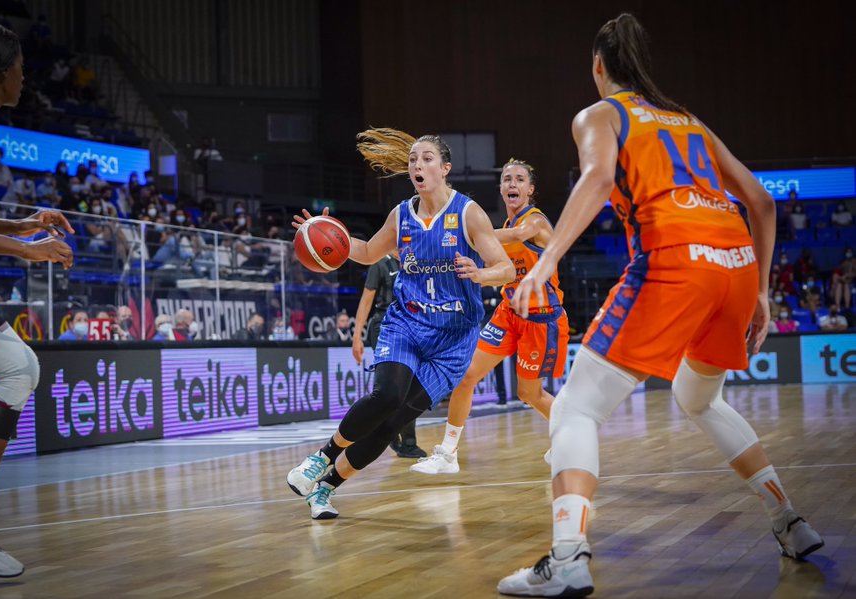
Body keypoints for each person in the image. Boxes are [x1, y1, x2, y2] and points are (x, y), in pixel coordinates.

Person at [498, 14, 823, 597]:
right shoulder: (689, 120)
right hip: (736, 265)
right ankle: (789, 520)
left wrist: (545, 261)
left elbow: (597, 179)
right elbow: (761, 202)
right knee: (698, 396)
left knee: (575, 409)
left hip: (675, 258)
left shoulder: (601, 114)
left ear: (598, 66)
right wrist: (764, 293)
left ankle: (568, 558)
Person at [286, 127, 514, 520]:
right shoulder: (401, 215)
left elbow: (506, 269)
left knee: (390, 425)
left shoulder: (467, 212)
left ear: (445, 168)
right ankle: (319, 458)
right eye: (412, 160)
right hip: (406, 323)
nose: (417, 165)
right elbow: (368, 251)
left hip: (454, 340)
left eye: (426, 159)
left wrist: (480, 274)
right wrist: (327, 234)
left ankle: (323, 489)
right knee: (387, 396)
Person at [0, 22, 74, 581]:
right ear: (2, 71)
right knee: (17, 367)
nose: (27, 75)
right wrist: (26, 251)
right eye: (21, 66)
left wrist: (22, 226)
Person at [411, 159, 569, 475]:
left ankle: (572, 439)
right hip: (508, 313)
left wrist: (467, 231)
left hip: (541, 318)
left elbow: (515, 236)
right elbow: (496, 266)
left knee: (529, 393)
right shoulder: (503, 228)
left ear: (530, 189)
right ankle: (448, 453)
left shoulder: (534, 222)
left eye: (519, 179)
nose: (512, 184)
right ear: (501, 189)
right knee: (466, 376)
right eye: (507, 179)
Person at [352, 254, 427, 459]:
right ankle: (401, 439)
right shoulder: (380, 263)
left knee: (412, 385)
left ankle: (396, 435)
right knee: (393, 386)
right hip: (384, 326)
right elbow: (366, 301)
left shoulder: (416, 259)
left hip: (411, 326)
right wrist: (357, 336)